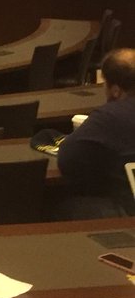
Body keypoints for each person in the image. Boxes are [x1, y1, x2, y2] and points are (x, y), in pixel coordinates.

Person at [55, 46, 135, 217]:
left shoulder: (110, 116)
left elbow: (67, 160)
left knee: (64, 206)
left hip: (128, 210)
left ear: (115, 90)